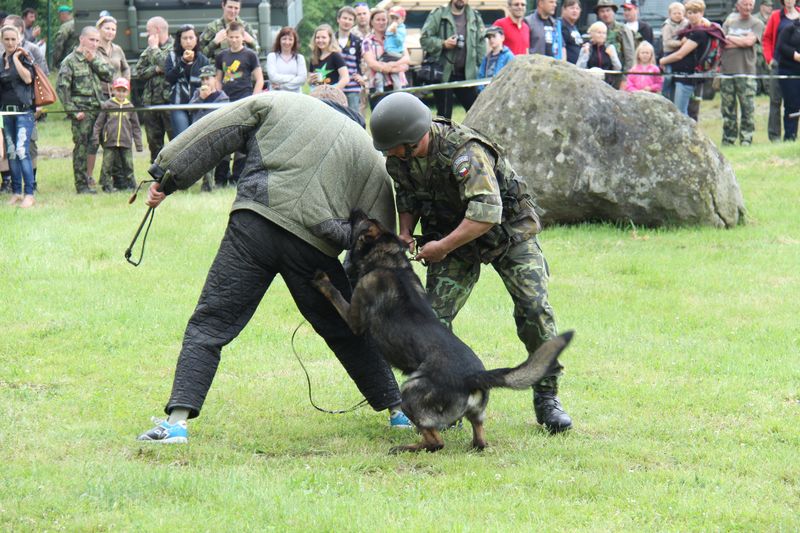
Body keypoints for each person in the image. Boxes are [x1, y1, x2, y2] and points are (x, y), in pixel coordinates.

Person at [135, 91, 411, 443]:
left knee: (211, 321)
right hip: (313, 249)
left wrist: (168, 175)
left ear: (316, 99)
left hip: (255, 224)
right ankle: (399, 411)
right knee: (348, 330)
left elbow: (218, 128)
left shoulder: (285, 101)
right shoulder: (368, 151)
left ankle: (176, 423)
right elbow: (377, 232)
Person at [370, 92, 574, 434]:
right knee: (432, 319)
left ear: (413, 138)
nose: (389, 155)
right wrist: (406, 231)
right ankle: (444, 399)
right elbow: (407, 196)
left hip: (508, 236)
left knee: (533, 308)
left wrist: (440, 247)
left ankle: (547, 397)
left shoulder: (466, 153)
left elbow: (487, 214)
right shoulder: (400, 158)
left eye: (393, 148)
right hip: (454, 240)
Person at [56, 26, 114, 194]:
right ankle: (82, 185)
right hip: (82, 112)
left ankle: (109, 182)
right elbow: (62, 90)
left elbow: (110, 75)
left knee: (109, 144)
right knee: (82, 147)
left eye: (97, 40)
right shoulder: (70, 61)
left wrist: (93, 61)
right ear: (82, 39)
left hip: (100, 110)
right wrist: (73, 112)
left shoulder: (96, 58)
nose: (95, 44)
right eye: (91, 40)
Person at [420, 0, 486, 119]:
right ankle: (443, 138)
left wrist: (482, 68)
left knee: (477, 113)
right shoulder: (439, 13)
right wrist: (443, 44)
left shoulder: (474, 16)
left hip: (467, 75)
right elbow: (424, 39)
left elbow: (481, 44)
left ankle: (472, 137)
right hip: (444, 75)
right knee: (444, 118)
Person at [720, 0, 764, 146]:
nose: (748, 7)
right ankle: (728, 138)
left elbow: (748, 43)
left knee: (748, 108)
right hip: (727, 71)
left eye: (750, 4)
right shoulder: (729, 22)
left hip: (746, 71)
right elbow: (722, 42)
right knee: (728, 109)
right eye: (745, 4)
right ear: (738, 5)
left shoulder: (757, 23)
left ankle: (746, 139)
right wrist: (740, 40)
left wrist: (731, 38)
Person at [1, 25, 35, 208]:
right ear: (1, 40)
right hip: (6, 112)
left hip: (24, 112)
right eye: (7, 39)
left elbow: (28, 79)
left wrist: (15, 59)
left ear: (19, 39)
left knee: (22, 151)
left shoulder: (24, 57)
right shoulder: (0, 60)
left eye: (13, 39)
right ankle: (16, 192)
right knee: (12, 152)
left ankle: (29, 193)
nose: (10, 42)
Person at [659, 0, 712, 117]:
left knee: (681, 112)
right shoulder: (688, 29)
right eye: (690, 12)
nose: (692, 15)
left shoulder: (699, 33)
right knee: (675, 110)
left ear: (702, 13)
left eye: (696, 12)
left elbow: (680, 54)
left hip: (688, 77)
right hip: (678, 74)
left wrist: (662, 61)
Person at [133, 17, 174, 164]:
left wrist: (155, 49)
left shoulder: (175, 47)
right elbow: (138, 72)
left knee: (175, 142)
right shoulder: (149, 48)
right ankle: (157, 178)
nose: (146, 33)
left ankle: (178, 176)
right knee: (154, 144)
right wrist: (155, 69)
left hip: (170, 103)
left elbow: (166, 65)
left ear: (157, 30)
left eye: (148, 30)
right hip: (151, 103)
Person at [91, 78, 143, 192]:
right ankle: (106, 185)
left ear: (127, 92)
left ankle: (131, 185)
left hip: (126, 142)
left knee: (128, 164)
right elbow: (98, 123)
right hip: (109, 141)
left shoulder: (130, 107)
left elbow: (136, 127)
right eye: (118, 90)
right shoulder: (108, 105)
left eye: (123, 91)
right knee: (107, 165)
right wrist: (95, 138)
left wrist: (139, 144)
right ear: (113, 90)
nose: (121, 93)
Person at [188, 64, 230, 192]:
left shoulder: (222, 97)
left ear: (214, 79)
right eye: (203, 79)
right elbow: (191, 111)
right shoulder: (197, 94)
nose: (205, 82)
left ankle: (209, 185)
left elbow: (218, 117)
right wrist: (201, 99)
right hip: (199, 133)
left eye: (208, 78)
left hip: (216, 134)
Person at [763, 0, 800, 141]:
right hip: (778, 64)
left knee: (793, 103)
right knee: (775, 101)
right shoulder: (776, 16)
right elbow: (766, 39)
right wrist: (769, 58)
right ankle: (775, 137)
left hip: (796, 66)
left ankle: (791, 136)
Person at [165, 24, 209, 137]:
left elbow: (209, 81)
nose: (188, 41)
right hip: (179, 105)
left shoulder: (203, 59)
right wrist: (183, 62)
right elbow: (169, 78)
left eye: (191, 37)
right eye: (185, 38)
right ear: (179, 40)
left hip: (198, 105)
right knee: (182, 137)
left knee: (198, 138)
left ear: (196, 39)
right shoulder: (172, 56)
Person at [362, 9, 410, 110]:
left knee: (402, 120)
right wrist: (395, 67)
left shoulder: (397, 36)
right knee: (382, 122)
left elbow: (406, 59)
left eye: (384, 19)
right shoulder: (367, 41)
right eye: (378, 20)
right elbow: (372, 63)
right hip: (379, 87)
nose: (381, 22)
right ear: (371, 22)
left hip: (399, 85)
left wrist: (391, 66)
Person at [595, 0, 636, 88]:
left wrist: (625, 79)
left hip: (617, 78)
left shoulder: (623, 29)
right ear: (598, 14)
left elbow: (630, 56)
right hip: (598, 78)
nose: (605, 14)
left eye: (608, 10)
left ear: (613, 12)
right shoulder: (595, 30)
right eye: (602, 11)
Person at [335, 7, 365, 112]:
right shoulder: (331, 40)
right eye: (344, 18)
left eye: (350, 19)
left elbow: (361, 62)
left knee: (354, 117)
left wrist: (362, 76)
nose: (347, 21)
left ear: (353, 22)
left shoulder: (357, 41)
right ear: (338, 19)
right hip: (335, 86)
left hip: (352, 88)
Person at [775, 18, 800, 140]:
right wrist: (796, 56)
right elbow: (781, 46)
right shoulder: (789, 28)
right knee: (792, 105)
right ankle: (790, 136)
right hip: (789, 71)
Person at [577, 21, 623, 86]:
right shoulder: (587, 47)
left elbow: (618, 68)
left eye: (604, 33)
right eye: (599, 32)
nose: (602, 35)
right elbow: (579, 68)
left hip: (607, 84)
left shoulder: (610, 47)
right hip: (590, 83)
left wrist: (612, 55)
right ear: (592, 34)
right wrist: (585, 54)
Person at [95, 16, 131, 99]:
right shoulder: (94, 49)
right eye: (107, 28)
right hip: (99, 95)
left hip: (117, 95)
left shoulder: (117, 49)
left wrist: (125, 83)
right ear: (99, 29)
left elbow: (125, 68)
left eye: (113, 30)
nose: (110, 32)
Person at [373, 7, 407, 93]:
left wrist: (395, 33)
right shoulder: (388, 29)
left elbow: (401, 43)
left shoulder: (401, 29)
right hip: (390, 53)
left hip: (392, 54)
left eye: (397, 18)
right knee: (394, 75)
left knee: (380, 66)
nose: (394, 21)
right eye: (392, 18)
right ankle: (397, 91)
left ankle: (381, 89)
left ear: (402, 19)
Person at [661, 2, 689, 101]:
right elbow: (667, 42)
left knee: (678, 78)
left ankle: (675, 98)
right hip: (669, 53)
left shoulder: (686, 24)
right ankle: (664, 94)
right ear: (670, 14)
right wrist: (680, 43)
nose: (677, 15)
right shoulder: (667, 26)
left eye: (680, 13)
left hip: (682, 53)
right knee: (668, 76)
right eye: (675, 13)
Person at [308, 24, 349, 90]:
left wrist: (333, 91)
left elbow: (345, 78)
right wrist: (311, 80)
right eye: (318, 37)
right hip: (317, 94)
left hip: (330, 95)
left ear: (330, 39)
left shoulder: (335, 56)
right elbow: (310, 80)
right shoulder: (313, 57)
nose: (320, 40)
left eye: (324, 37)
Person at [265, 26, 307, 93]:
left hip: (295, 96)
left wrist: (281, 86)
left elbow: (302, 79)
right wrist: (292, 77)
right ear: (279, 40)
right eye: (284, 39)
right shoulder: (272, 57)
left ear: (294, 41)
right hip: (276, 96)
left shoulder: (299, 58)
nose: (287, 42)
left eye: (290, 39)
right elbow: (273, 77)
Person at [478, 25, 514, 91]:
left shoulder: (508, 56)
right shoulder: (486, 58)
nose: (491, 39)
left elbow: (511, 77)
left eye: (494, 36)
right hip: (487, 93)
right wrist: (482, 91)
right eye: (489, 38)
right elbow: (480, 76)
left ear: (502, 37)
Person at [754, 1, 774, 95]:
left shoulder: (773, 18)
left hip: (769, 49)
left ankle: (768, 90)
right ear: (762, 7)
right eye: (768, 6)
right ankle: (757, 89)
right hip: (757, 48)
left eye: (771, 6)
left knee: (769, 68)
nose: (770, 8)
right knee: (757, 67)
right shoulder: (755, 19)